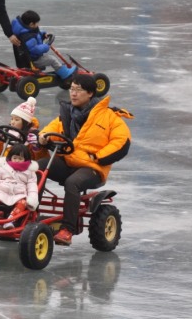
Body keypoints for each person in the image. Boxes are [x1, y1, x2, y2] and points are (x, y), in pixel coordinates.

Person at [37, 74, 133, 246]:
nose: (73, 94)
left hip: (92, 167)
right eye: (71, 89)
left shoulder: (109, 117)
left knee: (73, 183)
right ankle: (29, 212)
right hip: (68, 161)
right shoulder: (67, 114)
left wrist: (98, 157)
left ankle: (67, 230)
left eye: (78, 90)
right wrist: (43, 136)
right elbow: (52, 128)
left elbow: (121, 141)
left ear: (90, 93)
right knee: (37, 168)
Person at [0, 144, 39, 229]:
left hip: (18, 194)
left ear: (25, 159)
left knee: (22, 203)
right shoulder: (3, 168)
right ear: (10, 157)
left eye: (20, 159)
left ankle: (10, 221)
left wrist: (32, 199)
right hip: (1, 191)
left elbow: (32, 188)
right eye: (15, 158)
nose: (17, 161)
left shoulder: (29, 172)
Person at [12, 10, 77, 80]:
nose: (38, 25)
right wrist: (46, 46)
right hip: (34, 60)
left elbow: (36, 34)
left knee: (50, 58)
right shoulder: (28, 37)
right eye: (37, 23)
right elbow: (35, 49)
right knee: (52, 59)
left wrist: (43, 34)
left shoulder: (25, 31)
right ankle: (65, 74)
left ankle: (61, 69)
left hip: (27, 58)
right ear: (31, 24)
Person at [0, 96, 47, 161]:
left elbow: (41, 160)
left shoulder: (32, 136)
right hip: (6, 165)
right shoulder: (7, 132)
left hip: (24, 167)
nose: (12, 122)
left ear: (26, 123)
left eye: (16, 120)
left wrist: (36, 147)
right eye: (12, 119)